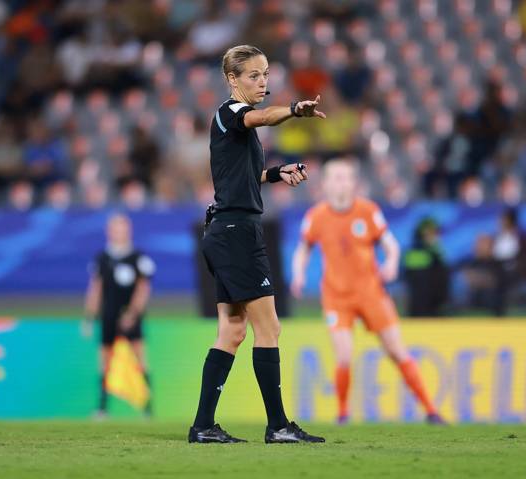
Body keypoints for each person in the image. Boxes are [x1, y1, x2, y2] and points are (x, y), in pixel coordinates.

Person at [190, 45, 326, 445]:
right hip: (237, 234)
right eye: (253, 75)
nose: (262, 81)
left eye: (265, 74)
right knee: (269, 327)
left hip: (225, 229)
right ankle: (279, 426)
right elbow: (262, 117)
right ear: (233, 80)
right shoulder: (232, 112)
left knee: (232, 331)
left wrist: (275, 173)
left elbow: (242, 178)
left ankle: (202, 427)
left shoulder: (233, 125)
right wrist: (295, 110)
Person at [291, 158, 445, 425]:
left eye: (345, 176)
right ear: (325, 184)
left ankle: (431, 410)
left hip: (371, 292)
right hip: (336, 297)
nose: (340, 182)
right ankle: (342, 414)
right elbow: (303, 248)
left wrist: (392, 262)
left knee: (397, 351)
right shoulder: (316, 216)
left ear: (354, 183)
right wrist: (299, 274)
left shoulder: (367, 211)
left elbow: (390, 245)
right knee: (344, 355)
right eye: (335, 177)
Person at [84, 213, 155, 418]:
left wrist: (133, 314)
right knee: (105, 360)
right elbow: (95, 290)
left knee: (140, 359)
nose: (119, 232)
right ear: (109, 231)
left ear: (128, 230)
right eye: (115, 228)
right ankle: (102, 408)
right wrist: (89, 317)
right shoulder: (102, 259)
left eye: (122, 228)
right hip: (108, 316)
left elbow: (143, 289)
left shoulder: (138, 258)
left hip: (130, 317)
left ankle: (147, 408)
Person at [492, 208, 526, 316]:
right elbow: (494, 255)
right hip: (498, 270)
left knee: (502, 280)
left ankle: (500, 312)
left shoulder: (521, 238)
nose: (500, 222)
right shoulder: (498, 237)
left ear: (510, 220)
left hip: (516, 271)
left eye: (503, 219)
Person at [403, 217, 450, 317]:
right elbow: (417, 276)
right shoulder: (414, 252)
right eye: (429, 234)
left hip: (437, 304)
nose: (434, 237)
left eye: (435, 233)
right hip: (419, 304)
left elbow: (443, 275)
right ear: (421, 234)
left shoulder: (438, 252)